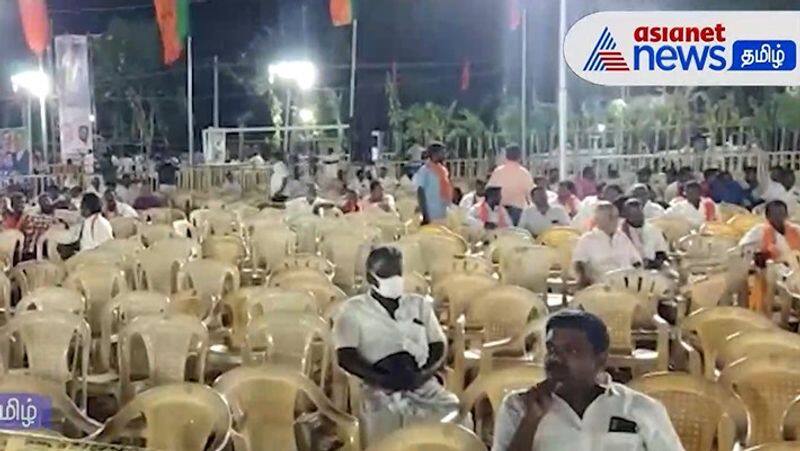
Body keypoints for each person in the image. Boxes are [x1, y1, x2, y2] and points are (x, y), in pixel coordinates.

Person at [491, 310, 683, 451]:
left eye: (571, 350)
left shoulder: (640, 408)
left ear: (600, 359)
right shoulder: (517, 407)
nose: (556, 359)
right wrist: (530, 422)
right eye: (551, 349)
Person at [333, 247, 461, 445]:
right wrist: (380, 378)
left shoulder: (419, 305)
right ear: (371, 277)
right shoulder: (353, 309)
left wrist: (424, 374)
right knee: (388, 434)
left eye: (397, 272)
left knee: (455, 417)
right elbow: (345, 355)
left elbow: (438, 345)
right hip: (378, 384)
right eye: (386, 274)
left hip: (421, 382)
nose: (394, 279)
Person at [739, 200, 800, 313]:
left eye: (781, 214)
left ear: (786, 215)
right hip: (773, 270)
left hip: (795, 266)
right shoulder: (758, 230)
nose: (778, 217)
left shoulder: (796, 230)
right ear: (767, 216)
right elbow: (743, 248)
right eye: (775, 214)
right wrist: (759, 254)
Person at [572, 202, 642, 288]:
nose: (615, 220)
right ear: (598, 219)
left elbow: (636, 261)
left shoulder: (622, 237)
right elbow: (579, 266)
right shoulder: (587, 240)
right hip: (602, 288)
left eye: (616, 217)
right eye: (610, 217)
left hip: (628, 285)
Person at [487, 145, 535, 222]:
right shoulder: (524, 173)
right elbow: (531, 194)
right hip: (518, 212)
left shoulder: (498, 172)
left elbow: (490, 191)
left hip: (500, 212)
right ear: (520, 156)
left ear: (506, 155)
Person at [618, 198, 669, 270]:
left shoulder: (653, 229)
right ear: (626, 216)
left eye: (639, 213)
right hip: (631, 271)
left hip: (653, 269)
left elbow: (661, 253)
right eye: (633, 215)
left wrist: (652, 263)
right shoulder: (621, 233)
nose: (637, 217)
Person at [414, 143, 452, 225]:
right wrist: (425, 214)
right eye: (442, 152)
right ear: (434, 154)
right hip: (430, 213)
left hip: (443, 212)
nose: (444, 155)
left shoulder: (443, 170)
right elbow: (420, 192)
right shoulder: (425, 170)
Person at [19, 194, 63, 260]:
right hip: (32, 252)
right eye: (44, 202)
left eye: (49, 201)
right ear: (40, 204)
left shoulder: (57, 218)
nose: (48, 203)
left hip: (48, 252)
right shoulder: (33, 217)